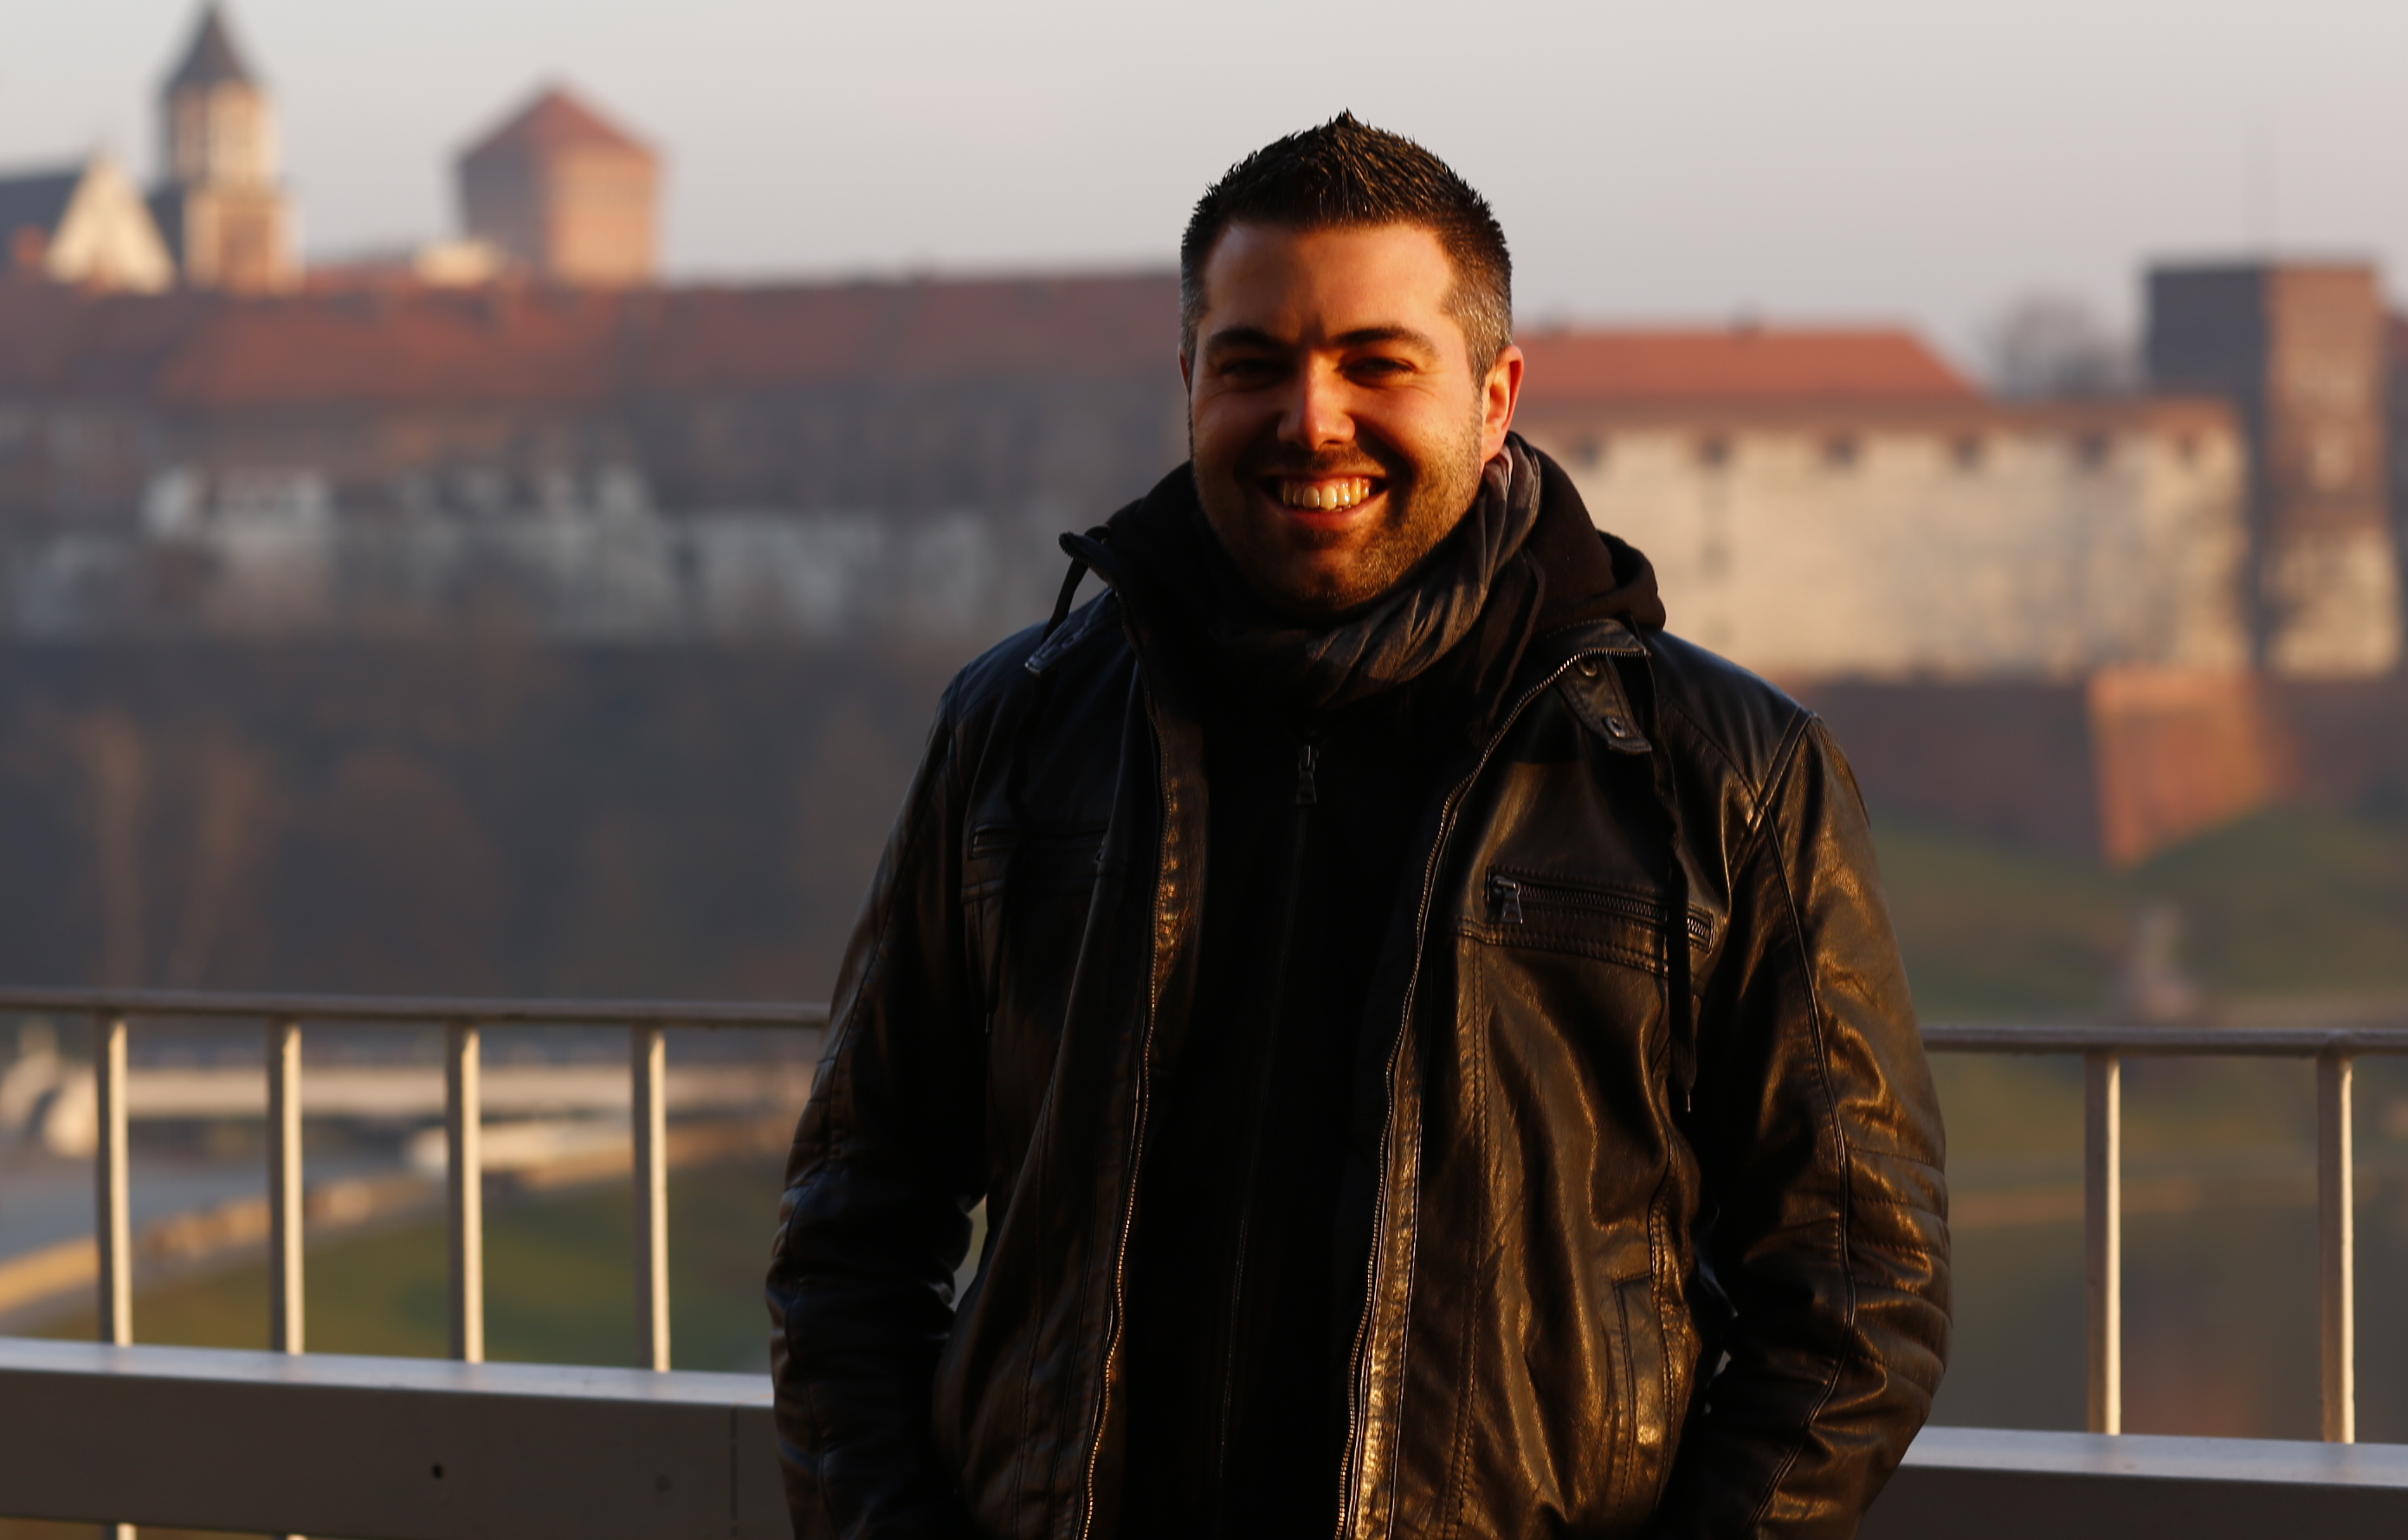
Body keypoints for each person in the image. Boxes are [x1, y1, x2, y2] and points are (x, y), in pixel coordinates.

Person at [767, 116, 1948, 1538]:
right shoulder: (1014, 731)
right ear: (1190, 384)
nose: (1311, 419)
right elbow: (850, 1229)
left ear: (1496, 396)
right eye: (1253, 364)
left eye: (1377, 363)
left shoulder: (1725, 776)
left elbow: (1858, 1295)